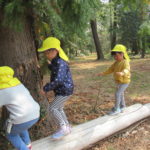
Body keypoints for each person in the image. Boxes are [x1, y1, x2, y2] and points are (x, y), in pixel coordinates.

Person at [38, 37, 74, 140]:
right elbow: (55, 69)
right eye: (45, 53)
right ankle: (67, 126)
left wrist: (45, 88)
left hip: (65, 90)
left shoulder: (60, 63)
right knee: (59, 108)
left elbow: (58, 80)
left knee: (52, 108)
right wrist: (50, 66)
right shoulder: (56, 61)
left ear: (55, 50)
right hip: (63, 90)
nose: (46, 55)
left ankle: (63, 127)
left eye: (47, 52)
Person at [0, 66, 40, 150]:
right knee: (19, 126)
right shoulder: (18, 84)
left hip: (22, 117)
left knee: (10, 134)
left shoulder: (2, 90)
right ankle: (28, 145)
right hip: (35, 113)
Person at [97, 44, 131, 115]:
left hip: (125, 82)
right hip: (119, 82)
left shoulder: (125, 62)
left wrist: (122, 73)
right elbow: (110, 69)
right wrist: (103, 73)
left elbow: (127, 69)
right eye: (114, 56)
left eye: (116, 55)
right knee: (120, 94)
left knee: (117, 93)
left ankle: (117, 109)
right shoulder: (116, 63)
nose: (115, 57)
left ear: (122, 54)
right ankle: (123, 106)